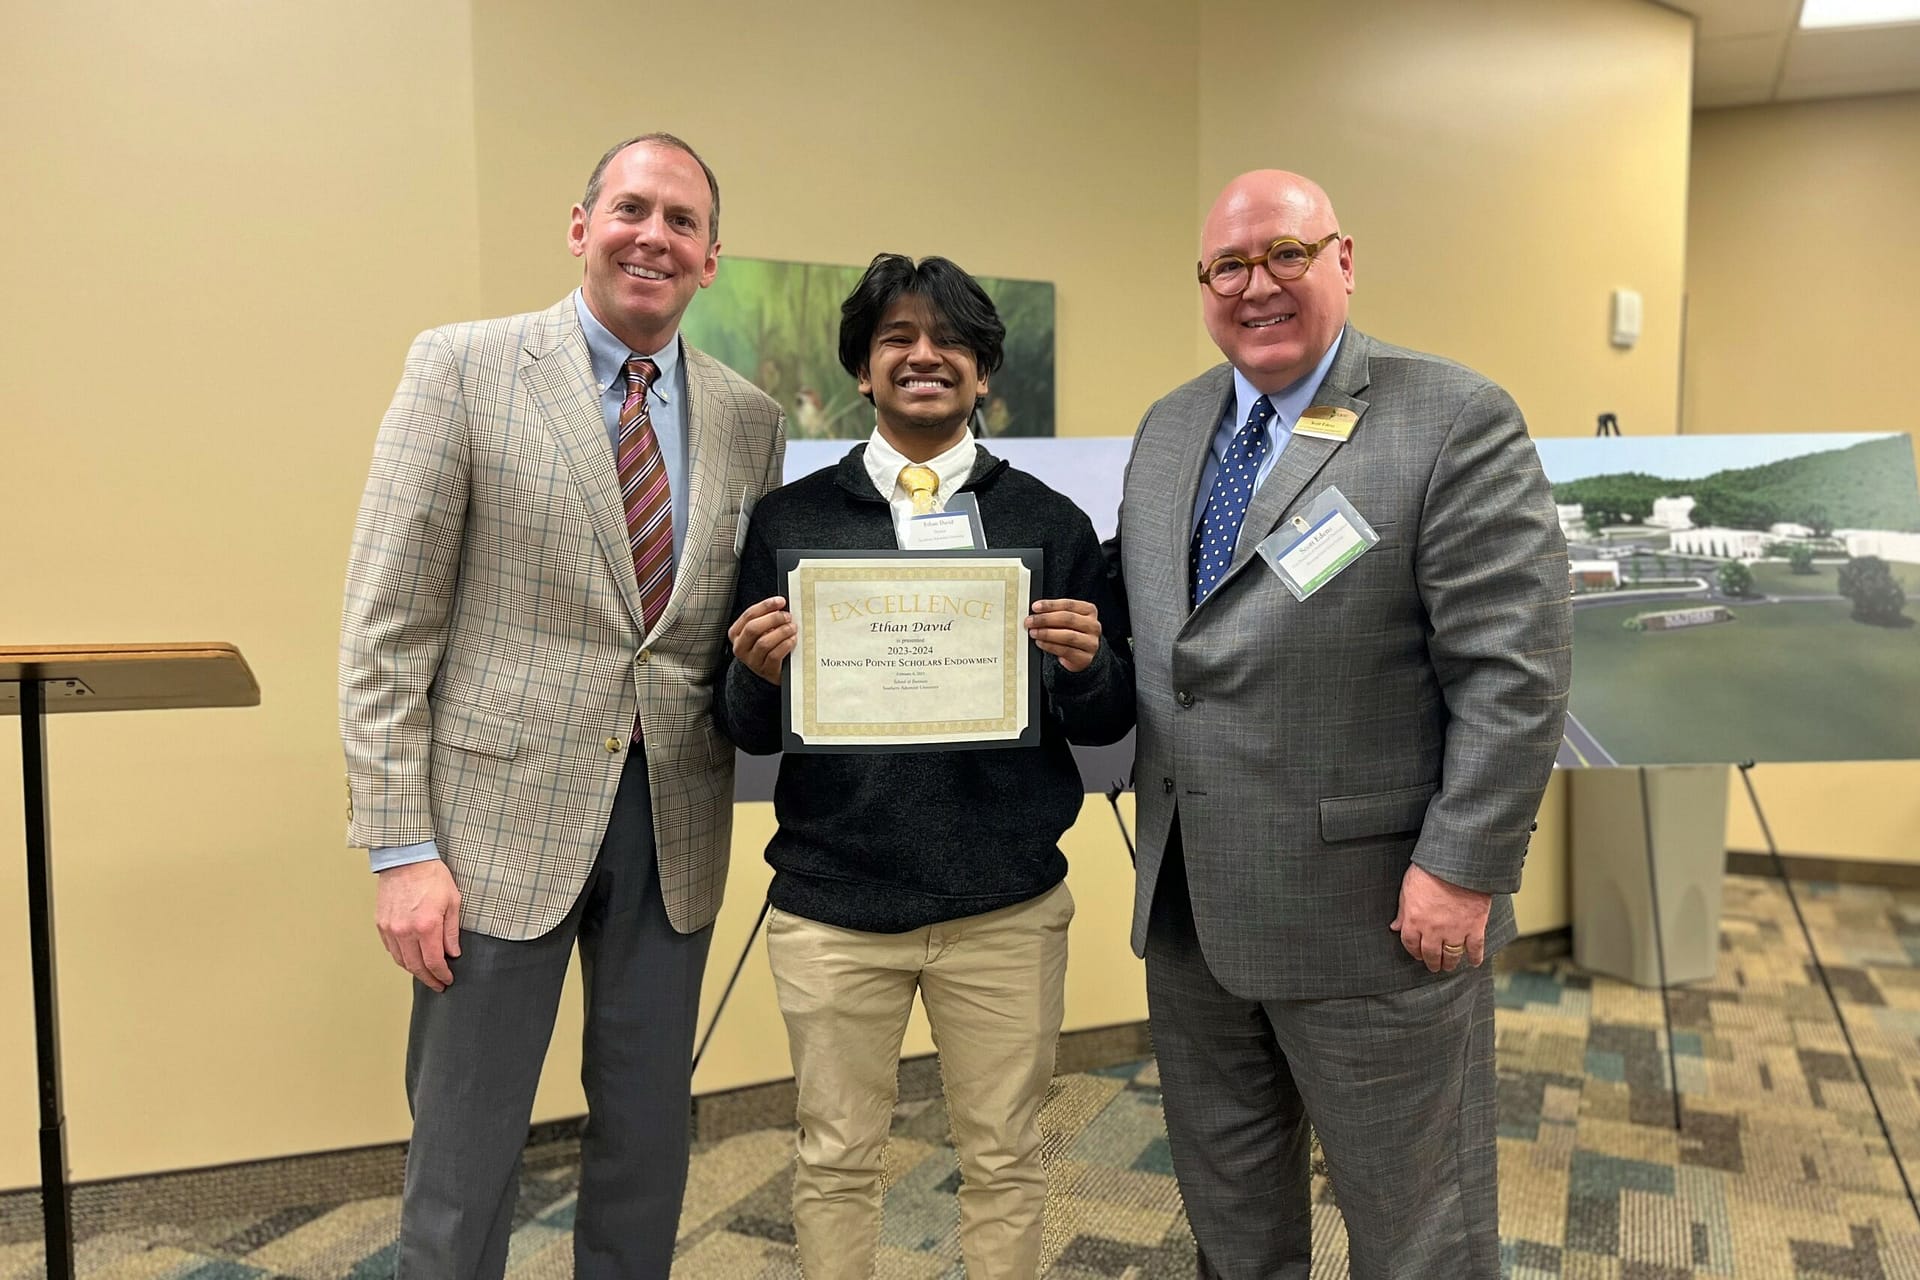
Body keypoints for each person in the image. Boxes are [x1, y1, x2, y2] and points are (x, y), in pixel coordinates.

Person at [339, 132, 785, 1279]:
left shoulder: (749, 417)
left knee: (647, 1139)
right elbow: (388, 623)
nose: (655, 236)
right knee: (465, 1146)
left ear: (711, 260)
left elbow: (724, 627)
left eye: (682, 222)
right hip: (490, 832)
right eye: (633, 209)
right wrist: (401, 847)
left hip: (674, 824)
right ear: (581, 225)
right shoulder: (464, 366)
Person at [1113, 170, 1572, 1277]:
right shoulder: (1172, 427)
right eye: (1229, 264)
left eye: (1286, 253)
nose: (1256, 284)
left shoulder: (1452, 417)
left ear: (1344, 261)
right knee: (1232, 1226)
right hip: (1193, 915)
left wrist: (1463, 866)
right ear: (1204, 285)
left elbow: (1514, 668)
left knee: (1418, 1232)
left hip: (1379, 920)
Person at [714, 253, 1134, 1280]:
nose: (924, 356)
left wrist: (1088, 666)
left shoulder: (1049, 521)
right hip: (832, 906)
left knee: (1005, 1157)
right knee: (835, 1158)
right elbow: (748, 729)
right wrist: (757, 673)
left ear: (984, 372)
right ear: (863, 368)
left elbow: (1108, 719)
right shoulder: (789, 520)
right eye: (896, 338)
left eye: (950, 341)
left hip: (1004, 906)